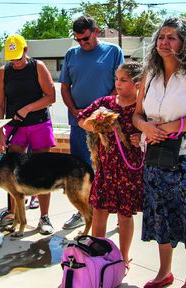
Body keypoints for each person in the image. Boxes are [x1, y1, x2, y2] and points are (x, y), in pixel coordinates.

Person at [132, 16, 186, 288]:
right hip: (154, 158)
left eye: (172, 37)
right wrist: (144, 126)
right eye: (161, 37)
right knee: (159, 216)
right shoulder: (149, 75)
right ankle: (164, 272)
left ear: (184, 42)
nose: (164, 42)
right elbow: (137, 114)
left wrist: (171, 126)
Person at [59, 15, 124, 230]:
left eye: (85, 38)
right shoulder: (71, 55)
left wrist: (100, 112)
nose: (82, 43)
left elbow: (120, 86)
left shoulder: (113, 52)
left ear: (95, 32)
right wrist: (77, 112)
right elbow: (65, 88)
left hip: (104, 124)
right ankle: (82, 211)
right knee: (80, 169)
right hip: (79, 123)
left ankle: (111, 212)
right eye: (78, 40)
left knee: (108, 169)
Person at [76, 62, 144, 269]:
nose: (118, 83)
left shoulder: (142, 108)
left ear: (137, 84)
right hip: (106, 169)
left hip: (128, 170)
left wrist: (140, 136)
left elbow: (151, 131)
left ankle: (123, 258)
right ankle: (98, 256)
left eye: (124, 80)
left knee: (125, 216)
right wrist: (98, 124)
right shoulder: (106, 103)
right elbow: (81, 119)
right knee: (99, 212)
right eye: (117, 79)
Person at [0, 34, 56, 235]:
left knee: (42, 170)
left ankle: (44, 217)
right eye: (11, 58)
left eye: (18, 57)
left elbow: (51, 97)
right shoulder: (3, 73)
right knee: (12, 172)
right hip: (15, 127)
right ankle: (14, 214)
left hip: (39, 125)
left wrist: (28, 108)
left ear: (26, 50)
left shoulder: (38, 67)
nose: (15, 62)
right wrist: (0, 134)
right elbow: (0, 104)